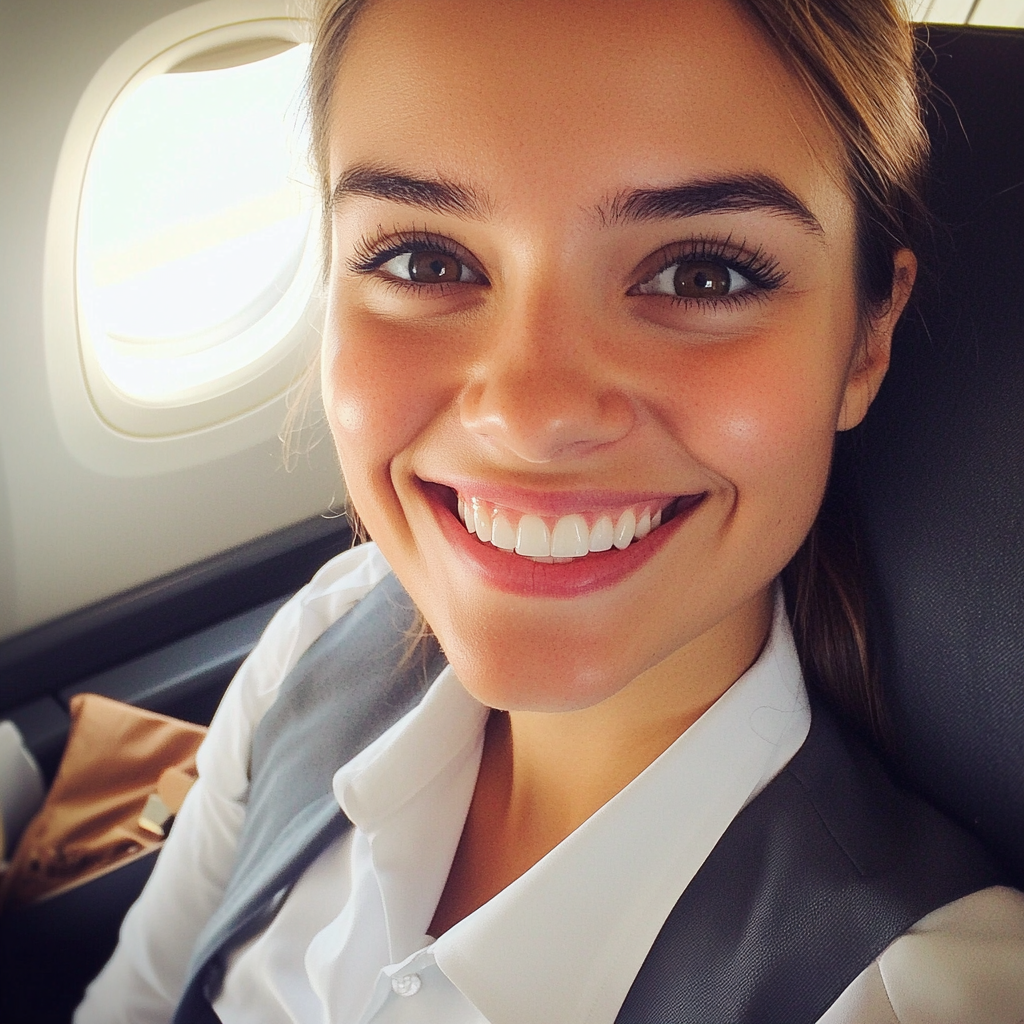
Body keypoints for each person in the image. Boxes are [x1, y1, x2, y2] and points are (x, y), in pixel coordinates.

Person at [76, 1, 1024, 1021]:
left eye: (700, 272)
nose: (529, 416)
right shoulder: (317, 633)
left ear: (865, 341)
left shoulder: (916, 994)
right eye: (422, 261)